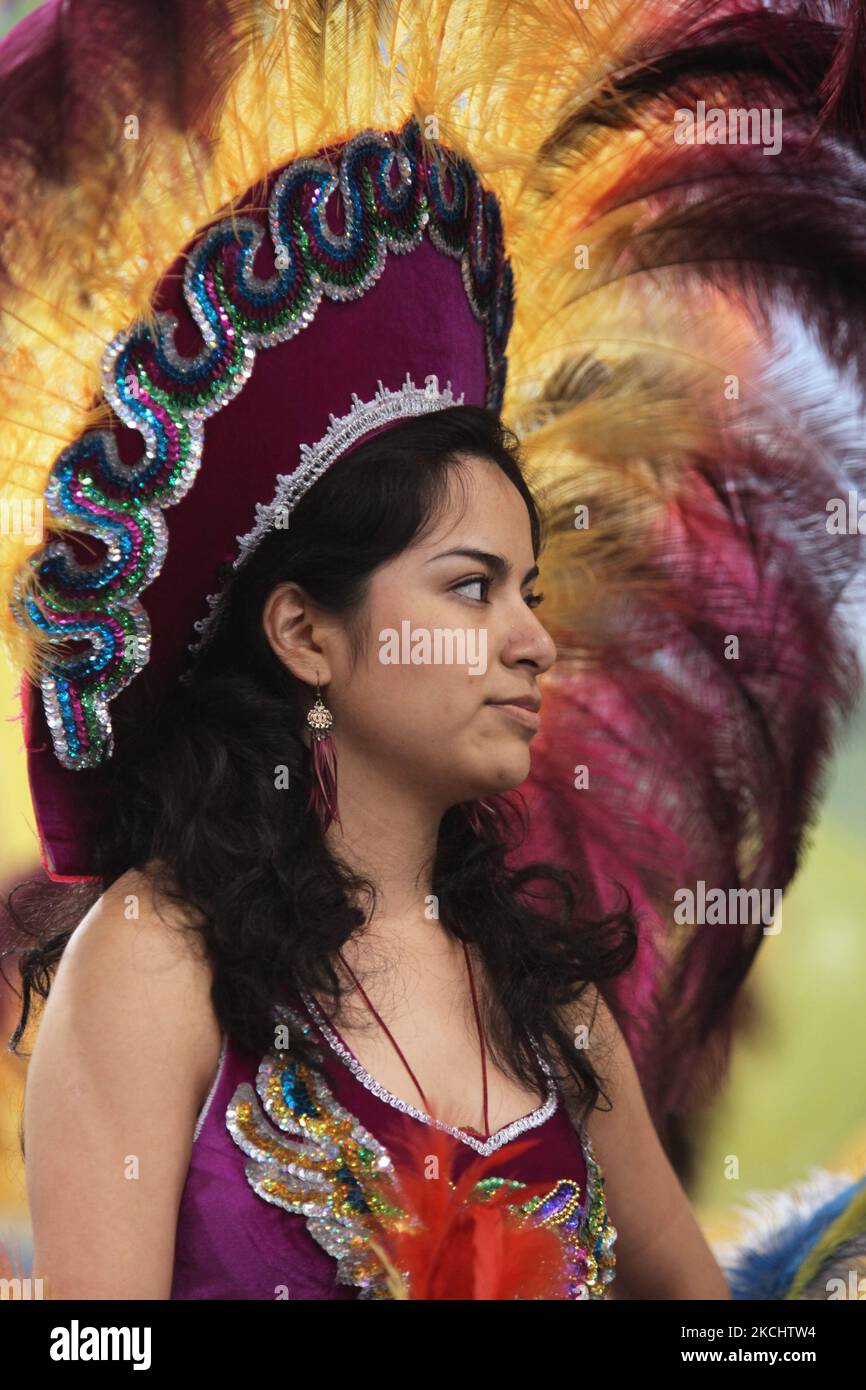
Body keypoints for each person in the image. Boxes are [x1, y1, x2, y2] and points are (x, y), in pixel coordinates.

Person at [2, 0, 866, 1300]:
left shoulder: (546, 1002)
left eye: (526, 588)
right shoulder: (156, 959)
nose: (530, 640)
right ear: (304, 631)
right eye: (469, 588)